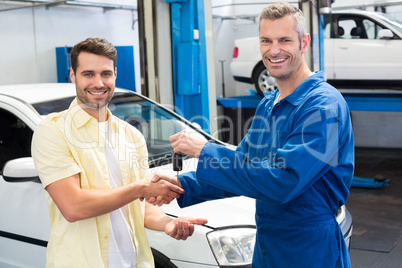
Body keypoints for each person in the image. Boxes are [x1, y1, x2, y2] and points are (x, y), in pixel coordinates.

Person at [151, 2, 354, 267]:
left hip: (308, 247)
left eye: (284, 40)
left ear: (304, 43)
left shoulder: (323, 108)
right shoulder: (269, 104)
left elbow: (283, 181)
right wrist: (180, 186)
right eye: (266, 40)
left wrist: (205, 150)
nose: (274, 50)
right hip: (268, 243)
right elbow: (242, 167)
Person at [31, 37, 207, 268]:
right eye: (88, 74)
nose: (98, 82)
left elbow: (142, 207)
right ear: (73, 76)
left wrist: (166, 224)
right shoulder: (53, 131)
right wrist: (140, 188)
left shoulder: (131, 136)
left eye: (105, 74)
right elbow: (73, 207)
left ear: (115, 74)